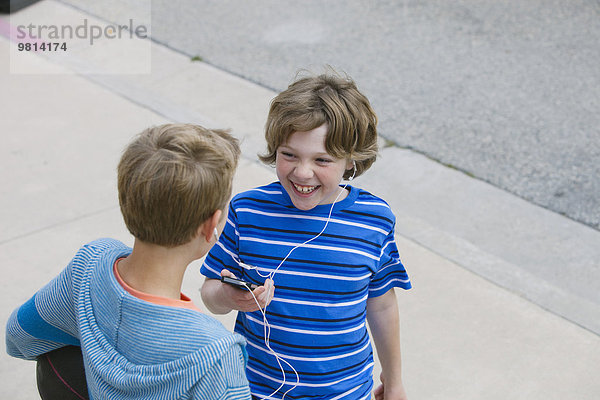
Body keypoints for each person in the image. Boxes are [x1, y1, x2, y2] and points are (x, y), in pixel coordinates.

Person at [200, 72, 412, 400]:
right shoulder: (247, 212)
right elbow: (211, 291)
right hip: (255, 390)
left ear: (351, 161)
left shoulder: (374, 221)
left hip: (344, 392)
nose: (302, 172)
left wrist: (394, 381)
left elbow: (381, 305)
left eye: (322, 160)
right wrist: (230, 298)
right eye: (289, 155)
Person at [6, 124, 252, 400]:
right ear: (210, 227)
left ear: (127, 198)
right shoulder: (216, 356)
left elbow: (19, 337)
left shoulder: (90, 265)